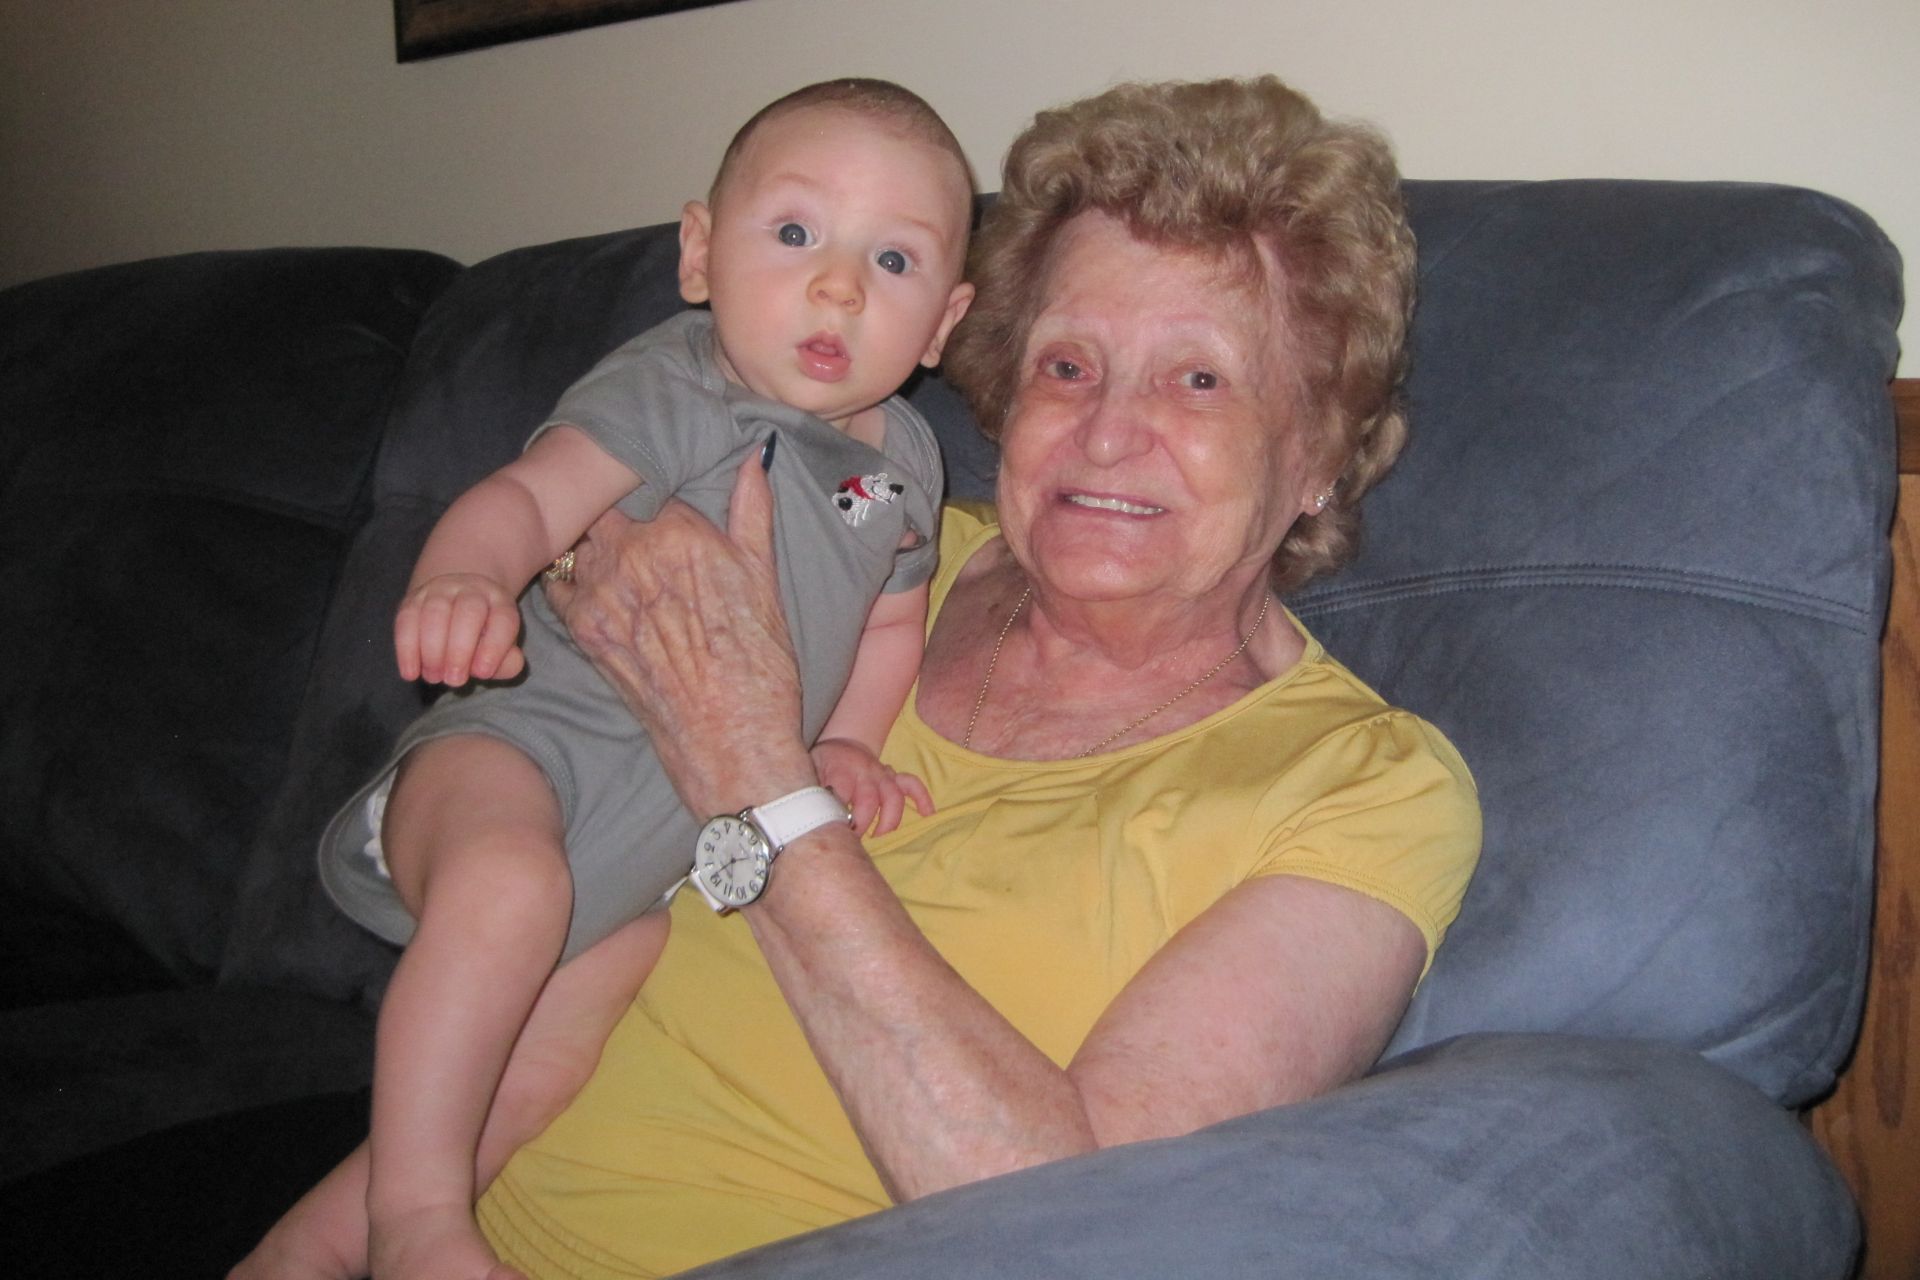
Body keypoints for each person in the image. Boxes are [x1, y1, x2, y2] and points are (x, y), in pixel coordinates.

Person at [239, 73, 1480, 1280]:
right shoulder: (856, 542)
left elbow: (1078, 1231)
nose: (1108, 430)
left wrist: (753, 768)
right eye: (1065, 366)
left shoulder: (1365, 790)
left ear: (1320, 452)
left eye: (1199, 377)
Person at [292, 78, 976, 1280]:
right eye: (796, 232)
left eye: (894, 260)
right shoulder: (679, 384)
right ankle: (415, 1219)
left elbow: (889, 623)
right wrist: (462, 577)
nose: (839, 287)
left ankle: (309, 1248)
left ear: (943, 324)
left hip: (652, 860)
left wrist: (847, 743)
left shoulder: (906, 467)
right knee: (507, 888)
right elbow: (529, 497)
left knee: (551, 1059)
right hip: (514, 754)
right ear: (700, 254)